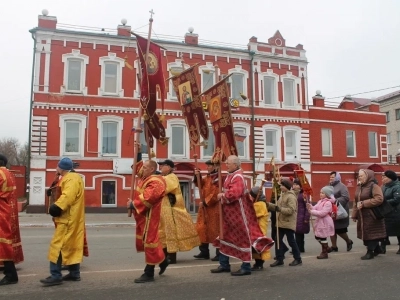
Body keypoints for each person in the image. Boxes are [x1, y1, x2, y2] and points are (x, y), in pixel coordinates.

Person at [210, 155, 274, 276]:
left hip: (239, 215)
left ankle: (246, 266)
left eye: (228, 163)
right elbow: (218, 181)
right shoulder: (231, 175)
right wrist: (214, 171)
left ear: (235, 164)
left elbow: (234, 194)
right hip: (229, 215)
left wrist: (222, 196)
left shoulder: (238, 176)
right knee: (225, 237)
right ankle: (224, 264)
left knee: (243, 239)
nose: (226, 165)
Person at [40, 157, 86, 286]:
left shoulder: (70, 179)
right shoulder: (73, 177)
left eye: (57, 166)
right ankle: (74, 273)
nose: (56, 168)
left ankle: (55, 275)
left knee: (57, 245)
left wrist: (56, 207)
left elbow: (68, 196)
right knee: (71, 245)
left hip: (67, 218)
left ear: (62, 167)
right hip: (73, 217)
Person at [127, 160, 169, 283]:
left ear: (151, 169)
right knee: (148, 241)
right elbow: (137, 168)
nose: (142, 169)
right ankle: (163, 261)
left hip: (151, 217)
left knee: (150, 242)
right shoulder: (146, 176)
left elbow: (149, 198)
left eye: (145, 168)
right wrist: (139, 151)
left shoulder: (157, 182)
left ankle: (149, 273)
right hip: (143, 216)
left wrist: (133, 204)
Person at [158, 159, 200, 264]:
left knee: (170, 233)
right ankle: (165, 255)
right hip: (164, 210)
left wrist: (155, 179)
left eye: (162, 166)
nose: (160, 168)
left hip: (171, 211)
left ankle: (171, 257)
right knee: (163, 233)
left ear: (168, 167)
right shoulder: (164, 177)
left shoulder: (171, 177)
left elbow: (164, 188)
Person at [351, 169, 386, 260]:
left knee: (370, 233)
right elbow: (356, 201)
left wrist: (364, 203)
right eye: (359, 175)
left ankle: (370, 252)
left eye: (361, 175)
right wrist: (354, 214)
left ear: (368, 177)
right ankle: (377, 249)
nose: (359, 177)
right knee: (365, 233)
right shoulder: (359, 186)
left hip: (372, 215)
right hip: (362, 215)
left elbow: (379, 199)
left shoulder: (374, 186)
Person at [267, 178, 302, 267]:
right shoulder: (282, 195)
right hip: (281, 222)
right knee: (277, 240)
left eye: (282, 185)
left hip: (288, 222)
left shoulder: (291, 196)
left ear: (286, 186)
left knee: (291, 241)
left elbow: (291, 210)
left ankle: (297, 258)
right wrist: (268, 204)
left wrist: (279, 209)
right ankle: (279, 259)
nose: (281, 187)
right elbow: (276, 207)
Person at [0, 154, 24, 285]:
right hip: (5, 208)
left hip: (1, 209)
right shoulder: (8, 173)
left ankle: (11, 274)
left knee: (3, 243)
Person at [193, 160, 220, 261]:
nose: (207, 167)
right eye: (207, 166)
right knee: (202, 229)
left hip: (214, 209)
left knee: (216, 231)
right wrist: (197, 175)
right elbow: (199, 184)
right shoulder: (208, 177)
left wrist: (205, 202)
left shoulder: (217, 179)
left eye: (209, 166)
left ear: (215, 166)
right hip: (204, 208)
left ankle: (219, 253)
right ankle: (204, 252)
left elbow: (215, 193)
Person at [306, 186, 335, 259]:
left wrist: (312, 212)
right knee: (317, 236)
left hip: (325, 221)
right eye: (320, 192)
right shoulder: (320, 201)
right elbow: (315, 208)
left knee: (323, 237)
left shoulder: (328, 203)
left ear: (327, 194)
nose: (321, 194)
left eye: (323, 193)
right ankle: (327, 248)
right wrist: (310, 206)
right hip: (320, 221)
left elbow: (323, 213)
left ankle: (324, 252)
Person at [327, 171, 353, 252]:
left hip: (340, 211)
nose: (331, 178)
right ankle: (334, 246)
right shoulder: (329, 186)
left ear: (337, 177)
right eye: (330, 177)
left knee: (340, 230)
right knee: (332, 229)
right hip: (331, 211)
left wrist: (335, 201)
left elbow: (346, 197)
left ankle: (348, 241)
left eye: (333, 177)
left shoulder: (342, 186)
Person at [249, 186, 271, 271]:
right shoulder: (259, 203)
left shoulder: (260, 204)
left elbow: (252, 213)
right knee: (256, 246)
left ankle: (259, 264)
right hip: (257, 229)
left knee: (258, 246)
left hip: (260, 229)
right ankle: (257, 263)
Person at [380, 170, 400, 254]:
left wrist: (384, 202)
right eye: (382, 177)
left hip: (396, 212)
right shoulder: (383, 186)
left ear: (390, 178)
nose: (383, 179)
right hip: (385, 211)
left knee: (398, 230)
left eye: (385, 177)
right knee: (384, 230)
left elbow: (397, 199)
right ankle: (382, 248)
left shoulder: (397, 186)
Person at [292, 179, 310, 253]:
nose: (295, 186)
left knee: (299, 233)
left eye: (297, 184)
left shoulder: (303, 194)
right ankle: (299, 248)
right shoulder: (293, 194)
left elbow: (307, 206)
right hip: (295, 216)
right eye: (294, 184)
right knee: (297, 233)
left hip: (301, 216)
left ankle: (299, 248)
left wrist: (306, 217)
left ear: (300, 186)